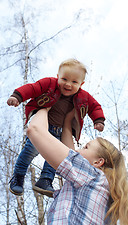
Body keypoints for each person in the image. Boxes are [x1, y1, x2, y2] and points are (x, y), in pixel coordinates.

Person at [26, 107, 128, 225]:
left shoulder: (91, 176)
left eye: (86, 147)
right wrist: (67, 121)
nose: (78, 150)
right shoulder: (103, 187)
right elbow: (69, 151)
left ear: (98, 162)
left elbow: (35, 130)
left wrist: (44, 106)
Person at [7, 58, 105, 197]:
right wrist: (18, 96)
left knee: (54, 158)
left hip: (59, 132)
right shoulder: (49, 83)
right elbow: (33, 88)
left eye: (74, 82)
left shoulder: (84, 96)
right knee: (29, 151)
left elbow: (95, 106)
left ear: (81, 84)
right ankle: (18, 176)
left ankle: (45, 180)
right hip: (43, 126)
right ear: (58, 76)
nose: (68, 84)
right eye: (64, 79)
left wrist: (98, 120)